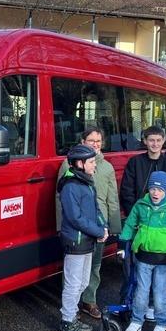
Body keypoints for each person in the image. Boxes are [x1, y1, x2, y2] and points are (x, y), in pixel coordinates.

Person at [56, 127, 121, 319]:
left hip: (98, 227)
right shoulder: (70, 170)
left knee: (93, 268)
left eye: (99, 140)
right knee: (74, 275)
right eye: (91, 140)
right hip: (78, 232)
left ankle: (88, 300)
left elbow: (111, 199)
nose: (96, 143)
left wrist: (112, 227)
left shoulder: (106, 167)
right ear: (83, 141)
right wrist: (60, 227)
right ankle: (70, 311)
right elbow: (63, 203)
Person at [118, 126, 166, 308]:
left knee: (159, 270)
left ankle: (154, 305)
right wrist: (136, 216)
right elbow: (127, 191)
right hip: (138, 221)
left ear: (163, 142)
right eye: (151, 140)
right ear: (145, 141)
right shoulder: (135, 162)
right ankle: (128, 300)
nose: (154, 144)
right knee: (132, 267)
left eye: (158, 140)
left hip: (162, 225)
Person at [120, 171, 166, 331]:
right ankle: (137, 320)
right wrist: (122, 244)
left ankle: (163, 324)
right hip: (143, 257)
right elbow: (129, 225)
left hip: (163, 260)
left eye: (160, 190)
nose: (155, 193)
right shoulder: (141, 205)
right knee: (141, 291)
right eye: (152, 189)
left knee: (159, 292)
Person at [57, 144, 108, 331]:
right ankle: (67, 324)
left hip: (87, 240)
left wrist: (102, 226)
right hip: (76, 242)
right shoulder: (70, 186)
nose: (95, 165)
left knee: (83, 283)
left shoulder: (86, 182)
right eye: (92, 162)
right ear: (80, 163)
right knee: (72, 284)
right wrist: (97, 231)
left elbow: (95, 209)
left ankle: (72, 316)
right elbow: (75, 217)